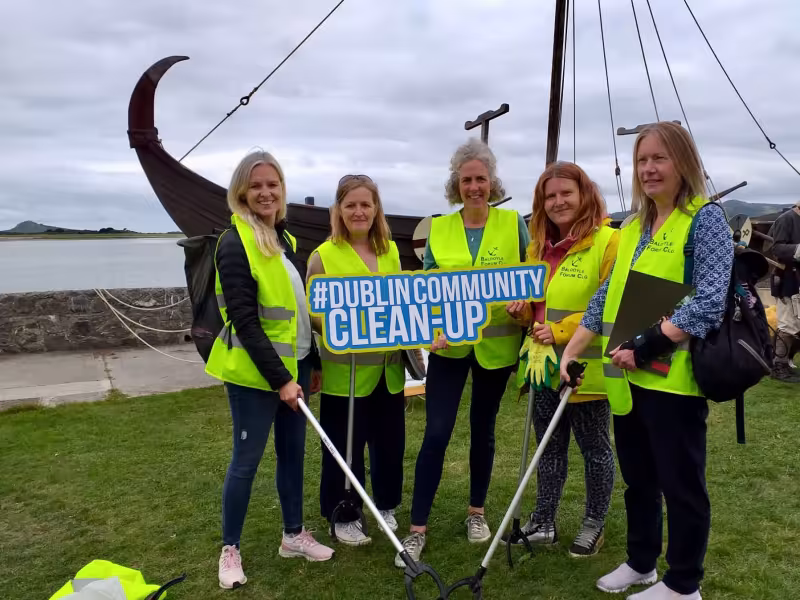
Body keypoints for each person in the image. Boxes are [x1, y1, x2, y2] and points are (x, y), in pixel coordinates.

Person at [561, 122, 733, 600]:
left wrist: (647, 344)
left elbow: (709, 301)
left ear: (683, 163)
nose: (649, 168)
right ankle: (641, 563)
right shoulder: (633, 225)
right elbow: (607, 295)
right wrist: (573, 348)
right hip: (627, 378)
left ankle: (683, 584)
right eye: (642, 160)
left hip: (673, 381)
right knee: (639, 480)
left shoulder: (705, 220)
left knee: (681, 485)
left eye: (660, 158)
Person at [395, 138, 530, 567]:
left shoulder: (513, 223)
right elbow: (426, 288)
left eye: (481, 179)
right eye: (466, 179)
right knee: (436, 433)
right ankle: (417, 529)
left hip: (496, 347)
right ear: (456, 183)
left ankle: (477, 512)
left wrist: (526, 305)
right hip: (450, 349)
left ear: (492, 182)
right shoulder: (439, 228)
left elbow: (530, 276)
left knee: (483, 429)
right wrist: (428, 329)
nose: (474, 187)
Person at [207, 150, 334, 590]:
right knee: (246, 461)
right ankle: (230, 548)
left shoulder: (285, 240)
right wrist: (280, 380)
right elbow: (245, 319)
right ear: (241, 191)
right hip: (255, 376)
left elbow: (295, 311)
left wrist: (310, 362)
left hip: (295, 367)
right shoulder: (233, 242)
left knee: (292, 454)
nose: (266, 192)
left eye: (273, 184)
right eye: (256, 185)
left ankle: (293, 535)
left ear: (282, 190)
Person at [505, 161, 619, 557]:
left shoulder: (608, 241)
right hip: (542, 366)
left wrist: (562, 330)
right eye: (549, 196)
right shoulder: (536, 247)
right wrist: (521, 311)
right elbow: (535, 309)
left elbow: (611, 304)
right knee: (548, 448)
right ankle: (543, 522)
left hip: (586, 370)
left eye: (566, 193)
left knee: (594, 449)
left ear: (584, 194)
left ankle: (593, 523)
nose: (558, 202)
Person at [306, 174, 407, 546]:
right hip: (344, 374)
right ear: (339, 210)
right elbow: (313, 313)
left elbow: (402, 303)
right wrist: (347, 324)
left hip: (388, 372)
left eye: (366, 204)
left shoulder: (390, 251)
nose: (359, 211)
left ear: (376, 208)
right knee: (344, 447)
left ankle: (386, 504)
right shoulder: (323, 256)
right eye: (351, 205)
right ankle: (343, 513)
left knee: (390, 443)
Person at [767, 200, 800, 382]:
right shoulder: (786, 219)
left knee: (797, 326)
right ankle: (778, 366)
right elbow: (777, 249)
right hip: (788, 280)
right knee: (788, 324)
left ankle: (786, 362)